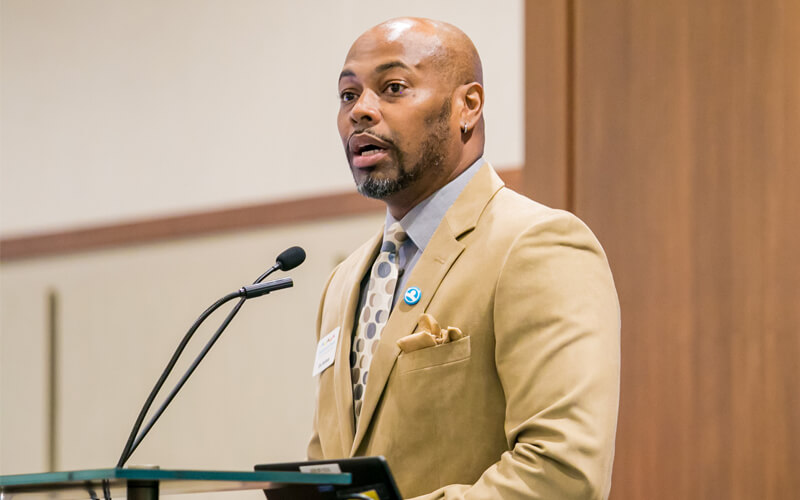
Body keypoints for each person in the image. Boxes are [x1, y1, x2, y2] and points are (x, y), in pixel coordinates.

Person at [307, 17, 620, 499]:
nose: (361, 112)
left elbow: (563, 474)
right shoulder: (343, 283)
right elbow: (328, 469)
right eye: (349, 95)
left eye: (392, 88)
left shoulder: (538, 245)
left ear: (466, 106)